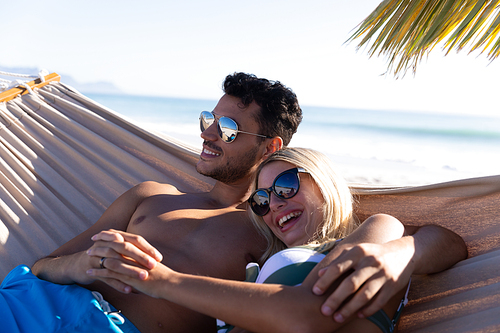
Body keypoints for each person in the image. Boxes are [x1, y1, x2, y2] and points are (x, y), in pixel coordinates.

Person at [0, 72, 465, 332]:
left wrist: (403, 248)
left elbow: (422, 237)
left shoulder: (277, 230)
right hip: (25, 301)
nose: (206, 134)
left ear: (268, 147)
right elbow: (42, 263)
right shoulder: (148, 195)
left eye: (226, 129)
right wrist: (80, 266)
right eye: (208, 119)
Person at [87, 147, 467, 333]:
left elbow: (304, 313)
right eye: (262, 199)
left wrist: (160, 281)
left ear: (325, 181)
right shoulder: (265, 266)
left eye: (286, 184)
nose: (275, 205)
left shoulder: (372, 237)